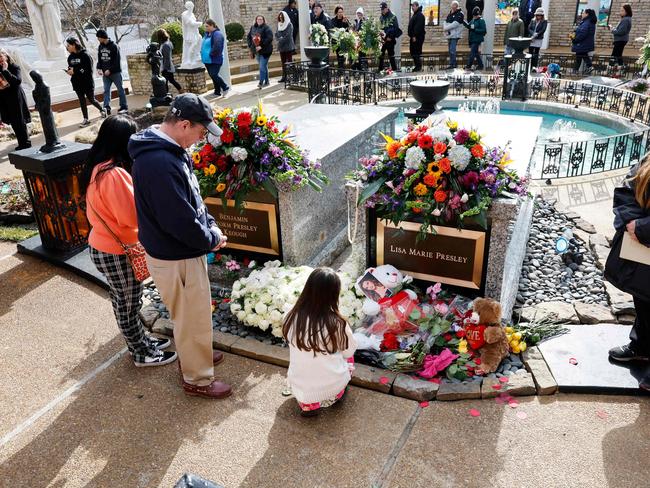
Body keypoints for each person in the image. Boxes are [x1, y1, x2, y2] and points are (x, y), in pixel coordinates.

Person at [128, 93, 231, 399]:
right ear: (184, 124)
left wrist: (210, 224)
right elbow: (180, 221)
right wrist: (213, 238)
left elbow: (192, 201)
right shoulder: (160, 161)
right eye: (201, 132)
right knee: (192, 316)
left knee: (189, 313)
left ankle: (193, 353)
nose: (201, 139)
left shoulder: (167, 150)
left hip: (175, 252)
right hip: (177, 255)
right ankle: (197, 378)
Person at [84, 114, 178, 367]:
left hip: (105, 247)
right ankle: (140, 352)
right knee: (128, 302)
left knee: (124, 299)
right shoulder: (114, 174)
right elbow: (130, 217)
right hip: (116, 250)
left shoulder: (99, 166)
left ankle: (142, 342)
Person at [283, 267, 358, 416]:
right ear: (334, 294)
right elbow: (349, 350)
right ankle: (334, 394)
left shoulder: (290, 315)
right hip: (331, 386)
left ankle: (308, 405)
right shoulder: (337, 323)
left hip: (298, 385)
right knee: (348, 355)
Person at [607, 155, 650, 392]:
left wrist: (643, 228)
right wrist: (631, 221)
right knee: (643, 299)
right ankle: (641, 347)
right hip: (642, 249)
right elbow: (628, 188)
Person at [65, 37, 105, 127]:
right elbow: (70, 67)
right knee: (82, 101)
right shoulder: (70, 57)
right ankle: (86, 119)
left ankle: (102, 109)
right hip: (76, 82)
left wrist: (75, 71)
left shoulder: (85, 55)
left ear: (74, 45)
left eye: (68, 45)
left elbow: (88, 70)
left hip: (87, 82)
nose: (67, 47)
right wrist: (69, 71)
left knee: (91, 99)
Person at [0, 48, 31, 150]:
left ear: (6, 56)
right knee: (13, 122)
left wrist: (5, 70)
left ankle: (26, 143)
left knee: (20, 121)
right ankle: (21, 142)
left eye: (1, 56)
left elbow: (17, 81)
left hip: (16, 97)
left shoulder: (14, 67)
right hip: (4, 99)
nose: (0, 59)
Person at [96, 29, 128, 115]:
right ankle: (106, 108)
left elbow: (117, 61)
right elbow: (99, 59)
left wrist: (110, 70)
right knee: (106, 90)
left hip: (115, 73)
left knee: (120, 89)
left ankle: (124, 106)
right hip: (105, 74)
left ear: (103, 37)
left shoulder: (114, 46)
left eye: (98, 37)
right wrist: (99, 68)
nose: (98, 39)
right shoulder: (100, 46)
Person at [202, 19, 229, 98]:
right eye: (205, 26)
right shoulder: (207, 34)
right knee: (212, 76)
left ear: (212, 25)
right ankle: (217, 92)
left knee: (214, 75)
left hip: (214, 60)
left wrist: (211, 54)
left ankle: (225, 87)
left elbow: (217, 46)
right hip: (207, 60)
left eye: (207, 26)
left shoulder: (217, 34)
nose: (206, 28)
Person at [247, 15, 274, 88]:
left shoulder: (266, 28)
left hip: (266, 51)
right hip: (257, 51)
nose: (259, 20)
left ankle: (261, 82)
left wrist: (261, 46)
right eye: (258, 19)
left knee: (262, 67)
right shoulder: (253, 27)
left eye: (261, 19)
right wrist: (250, 46)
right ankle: (267, 81)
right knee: (263, 67)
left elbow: (270, 38)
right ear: (256, 20)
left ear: (263, 20)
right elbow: (249, 37)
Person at [157, 29, 182, 94]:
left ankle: (166, 95)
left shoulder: (165, 45)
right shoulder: (167, 43)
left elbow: (167, 58)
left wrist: (165, 69)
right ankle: (181, 91)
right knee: (172, 80)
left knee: (165, 82)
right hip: (167, 66)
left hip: (166, 67)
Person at [572, 8, 596, 75]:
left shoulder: (587, 22)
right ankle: (577, 70)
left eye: (583, 13)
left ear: (587, 14)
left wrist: (575, 39)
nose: (582, 14)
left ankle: (588, 68)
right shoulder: (588, 22)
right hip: (584, 43)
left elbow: (583, 33)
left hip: (582, 43)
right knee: (581, 56)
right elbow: (581, 31)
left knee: (581, 56)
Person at [378, 2, 401, 72]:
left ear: (387, 8)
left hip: (390, 40)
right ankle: (380, 69)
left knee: (391, 55)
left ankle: (394, 69)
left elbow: (396, 28)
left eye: (383, 9)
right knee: (381, 55)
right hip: (383, 40)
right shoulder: (381, 17)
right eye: (381, 9)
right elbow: (380, 27)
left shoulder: (393, 16)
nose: (382, 11)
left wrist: (390, 37)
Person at [443, 1, 464, 70]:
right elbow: (445, 21)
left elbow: (455, 24)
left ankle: (454, 64)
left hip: (455, 35)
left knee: (452, 50)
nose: (452, 7)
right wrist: (445, 27)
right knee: (450, 50)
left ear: (456, 6)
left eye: (454, 6)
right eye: (452, 5)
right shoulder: (450, 13)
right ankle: (451, 63)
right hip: (449, 35)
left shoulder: (460, 14)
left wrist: (446, 28)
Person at [463, 7, 486, 71]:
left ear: (478, 14)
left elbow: (484, 30)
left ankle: (468, 66)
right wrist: (463, 21)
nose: (474, 17)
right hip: (472, 39)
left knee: (472, 53)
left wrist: (475, 30)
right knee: (476, 53)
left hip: (477, 39)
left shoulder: (481, 20)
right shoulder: (473, 20)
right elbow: (468, 26)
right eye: (474, 16)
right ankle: (481, 66)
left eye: (475, 15)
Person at [276, 11, 295, 82]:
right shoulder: (279, 24)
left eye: (282, 17)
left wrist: (281, 40)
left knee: (289, 62)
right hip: (281, 46)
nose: (280, 18)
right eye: (280, 17)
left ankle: (290, 77)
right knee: (283, 62)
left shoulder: (289, 24)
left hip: (288, 45)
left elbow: (288, 35)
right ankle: (284, 76)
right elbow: (276, 33)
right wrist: (279, 39)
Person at [408, 1, 426, 72]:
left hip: (417, 37)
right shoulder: (415, 14)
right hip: (413, 37)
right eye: (412, 6)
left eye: (413, 6)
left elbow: (418, 27)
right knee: (413, 51)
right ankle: (417, 66)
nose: (412, 7)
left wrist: (414, 36)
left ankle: (418, 67)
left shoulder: (420, 15)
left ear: (417, 6)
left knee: (416, 52)